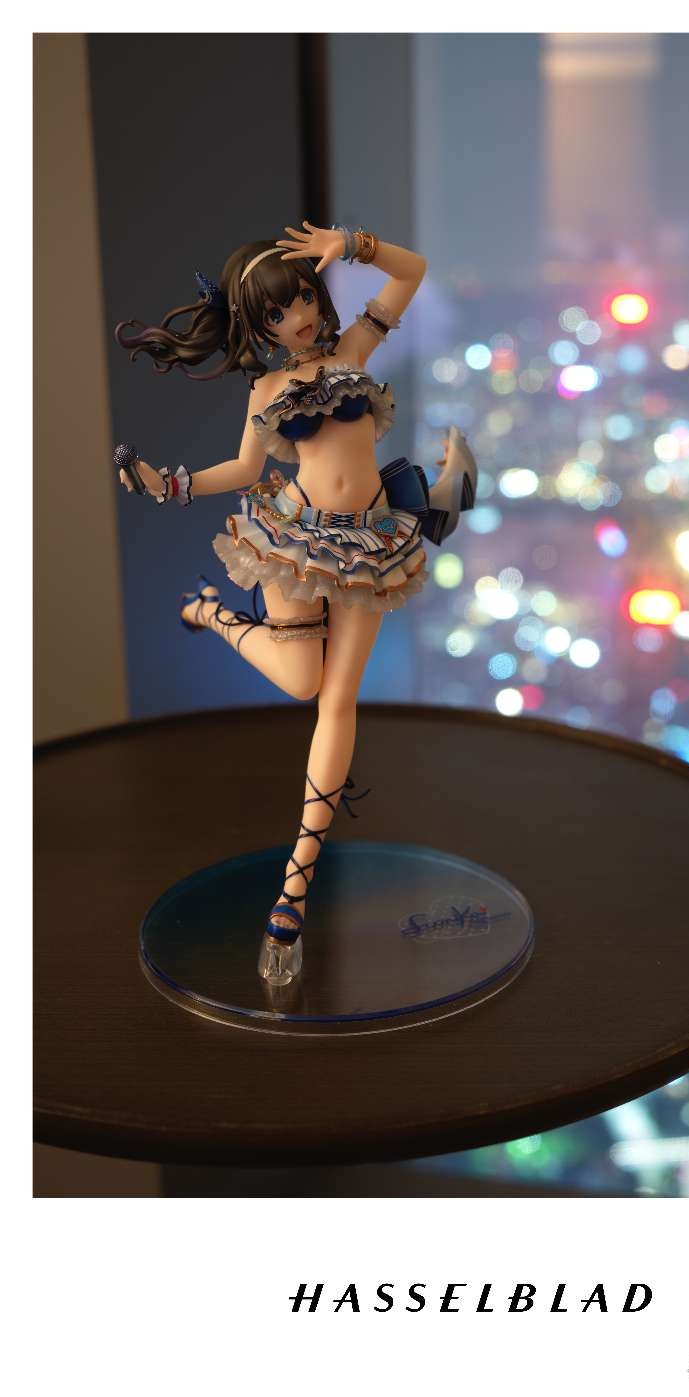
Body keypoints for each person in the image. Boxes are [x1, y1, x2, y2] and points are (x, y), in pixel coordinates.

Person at [115, 222, 476, 986]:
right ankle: (214, 612)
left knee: (337, 702)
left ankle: (294, 890)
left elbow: (412, 272)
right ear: (259, 327)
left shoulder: (354, 352)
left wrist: (353, 245)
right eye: (277, 313)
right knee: (303, 683)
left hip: (371, 543)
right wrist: (170, 484)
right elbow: (244, 468)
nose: (299, 318)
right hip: (294, 539)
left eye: (303, 298)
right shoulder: (267, 390)